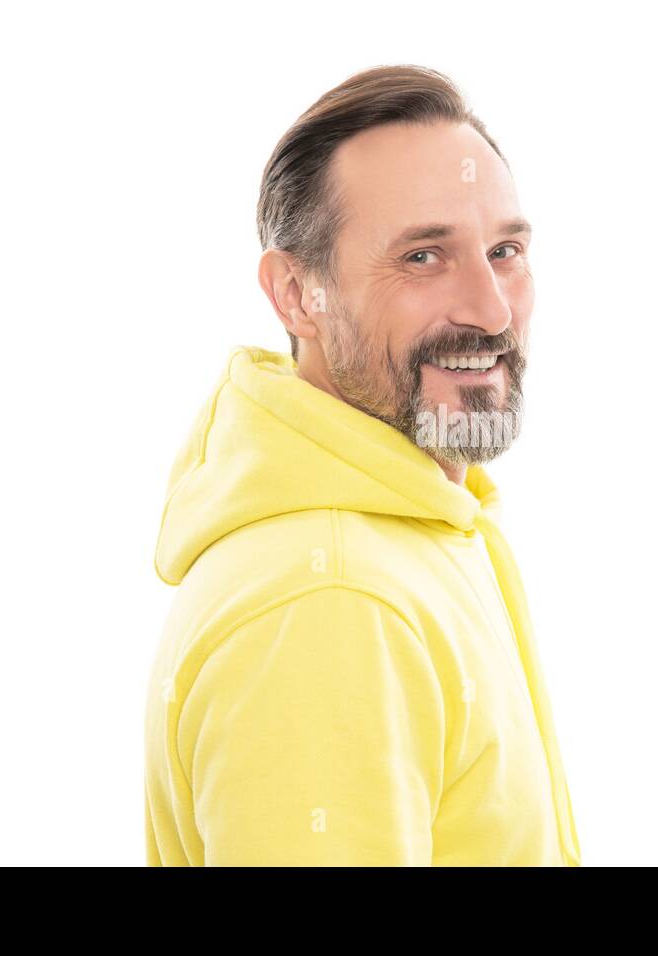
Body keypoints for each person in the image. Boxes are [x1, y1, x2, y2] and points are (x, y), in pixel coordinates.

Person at [143, 64, 581, 866]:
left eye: (505, 250)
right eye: (423, 257)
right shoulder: (332, 601)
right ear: (296, 292)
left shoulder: (419, 530)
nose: (490, 309)